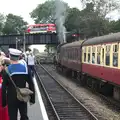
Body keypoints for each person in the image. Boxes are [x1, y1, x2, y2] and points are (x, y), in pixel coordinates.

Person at [1, 48, 35, 120]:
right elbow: (31, 84)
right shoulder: (26, 69)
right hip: (22, 96)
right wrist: (32, 99)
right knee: (24, 116)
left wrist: (4, 102)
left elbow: (4, 88)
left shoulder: (6, 70)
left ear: (10, 57)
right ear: (19, 57)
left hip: (11, 98)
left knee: (12, 117)